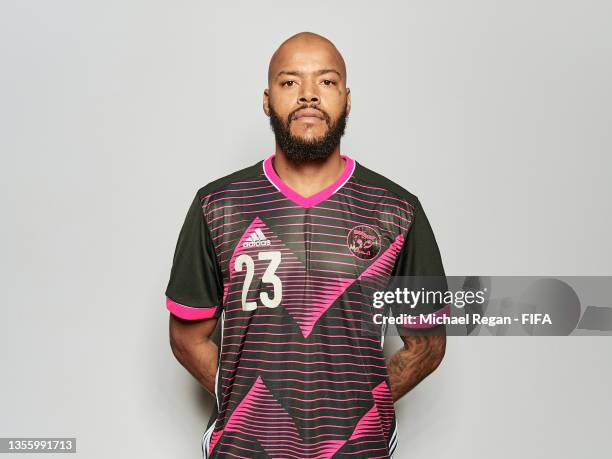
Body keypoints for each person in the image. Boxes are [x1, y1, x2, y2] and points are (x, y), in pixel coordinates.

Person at [165, 31, 447, 459]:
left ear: (347, 99)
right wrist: (252, 406)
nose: (309, 96)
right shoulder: (218, 205)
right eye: (290, 82)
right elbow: (187, 337)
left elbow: (427, 344)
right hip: (244, 449)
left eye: (327, 82)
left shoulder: (398, 210)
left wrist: (362, 412)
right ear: (267, 99)